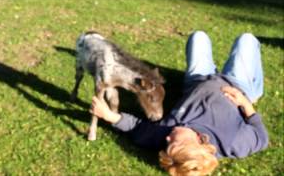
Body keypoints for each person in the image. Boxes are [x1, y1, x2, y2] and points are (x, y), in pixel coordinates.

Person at [89, 31, 269, 176]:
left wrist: (108, 115)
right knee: (246, 40)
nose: (167, 139)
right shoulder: (232, 142)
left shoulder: (165, 133)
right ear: (195, 144)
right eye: (173, 142)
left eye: (166, 145)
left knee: (198, 36)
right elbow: (262, 139)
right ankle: (256, 91)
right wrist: (246, 104)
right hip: (236, 84)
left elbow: (137, 129)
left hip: (198, 81)